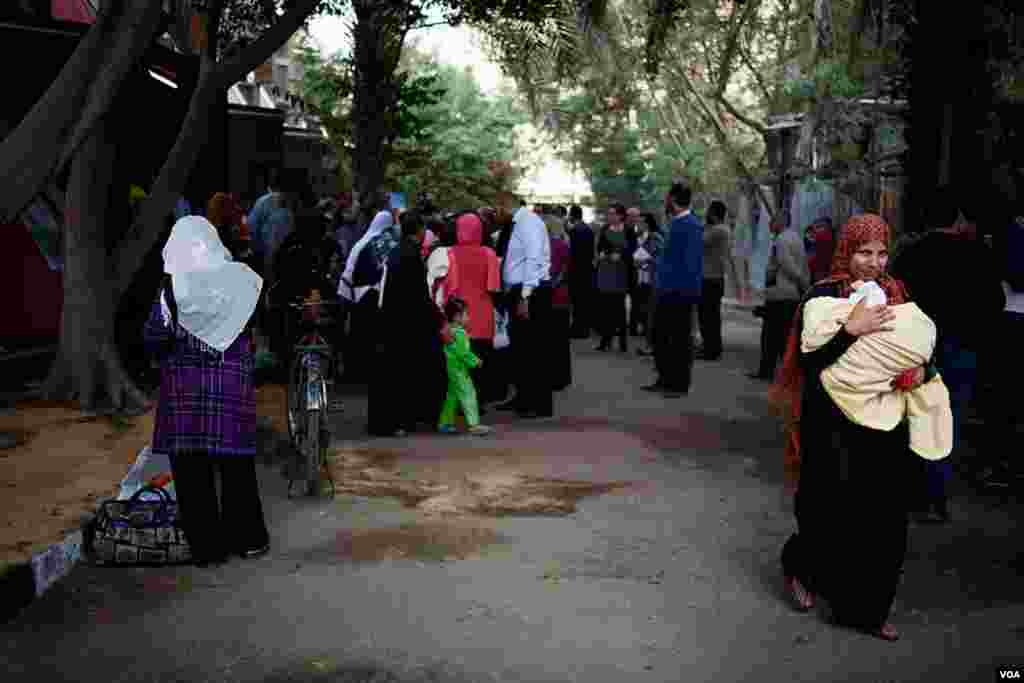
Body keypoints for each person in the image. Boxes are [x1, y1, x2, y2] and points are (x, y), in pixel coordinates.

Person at [774, 214, 929, 642]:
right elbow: (808, 362)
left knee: (883, 519)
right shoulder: (823, 296)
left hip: (884, 422)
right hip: (832, 423)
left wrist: (922, 372)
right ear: (847, 251)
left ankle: (864, 610)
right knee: (827, 511)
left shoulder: (898, 294)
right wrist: (850, 331)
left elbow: (918, 349)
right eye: (864, 252)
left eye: (881, 253)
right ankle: (801, 569)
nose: (874, 263)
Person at [142, 216, 269, 567]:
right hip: (231, 386)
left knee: (192, 472)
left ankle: (208, 549)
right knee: (237, 466)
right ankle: (248, 539)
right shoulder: (243, 280)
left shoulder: (172, 288)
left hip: (185, 391)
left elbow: (155, 336)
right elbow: (257, 322)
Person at [889, 190, 1006, 521]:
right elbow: (995, 302)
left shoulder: (912, 253)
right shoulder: (977, 252)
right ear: (957, 218)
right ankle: (936, 496)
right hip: (962, 348)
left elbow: (894, 299)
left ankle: (915, 494)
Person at [367, 210, 448, 437]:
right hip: (406, 322)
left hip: (392, 319)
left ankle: (398, 420)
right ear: (420, 231)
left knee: (395, 373)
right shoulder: (411, 255)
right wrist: (439, 321)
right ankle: (401, 421)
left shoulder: (397, 251)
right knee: (405, 373)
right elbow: (419, 295)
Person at [645, 183, 703, 397]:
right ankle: (665, 378)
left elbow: (690, 263)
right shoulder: (677, 222)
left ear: (673, 199)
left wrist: (685, 292)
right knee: (662, 337)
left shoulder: (690, 224)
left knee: (679, 340)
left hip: (679, 293)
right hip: (667, 290)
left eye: (667, 197)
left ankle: (678, 384)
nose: (665, 201)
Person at [500, 204, 554, 418]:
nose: (496, 213)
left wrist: (525, 296)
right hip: (522, 289)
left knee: (533, 350)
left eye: (498, 208)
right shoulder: (519, 223)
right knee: (521, 350)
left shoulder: (528, 222)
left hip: (531, 291)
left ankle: (536, 403)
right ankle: (523, 397)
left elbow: (534, 259)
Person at [338, 202, 398, 383]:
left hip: (358, 296)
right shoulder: (386, 243)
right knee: (374, 336)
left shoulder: (360, 243)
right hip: (377, 296)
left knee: (359, 335)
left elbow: (349, 271)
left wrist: (346, 296)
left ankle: (355, 373)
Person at [446, 212, 502, 404]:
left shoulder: (450, 254)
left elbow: (449, 287)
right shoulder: (489, 254)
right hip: (483, 314)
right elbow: (493, 286)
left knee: (459, 361)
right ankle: (481, 400)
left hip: (458, 315)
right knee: (481, 358)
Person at [749, 216, 810, 381]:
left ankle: (768, 370)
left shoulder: (781, 240)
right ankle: (786, 373)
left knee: (770, 335)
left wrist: (800, 281)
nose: (770, 224)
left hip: (780, 293)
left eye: (773, 221)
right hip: (791, 293)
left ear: (781, 222)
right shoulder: (795, 237)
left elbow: (786, 264)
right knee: (784, 335)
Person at [438, 297, 493, 436]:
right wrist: (476, 361)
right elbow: (463, 352)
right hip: (459, 370)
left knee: (453, 396)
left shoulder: (450, 331)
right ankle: (474, 424)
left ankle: (445, 423)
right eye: (466, 314)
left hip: (452, 369)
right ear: (457, 316)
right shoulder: (459, 333)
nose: (468, 317)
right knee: (469, 394)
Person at [696, 200, 735, 361]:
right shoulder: (720, 229)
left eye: (708, 211)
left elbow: (699, 240)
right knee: (709, 315)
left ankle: (711, 348)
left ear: (713, 213)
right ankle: (710, 346)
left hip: (711, 278)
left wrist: (703, 226)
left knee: (708, 316)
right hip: (712, 277)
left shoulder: (719, 230)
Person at [595, 203, 635, 352]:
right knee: (605, 307)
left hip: (621, 272)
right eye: (609, 213)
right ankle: (605, 340)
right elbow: (600, 247)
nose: (610, 216)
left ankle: (623, 341)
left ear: (620, 215)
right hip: (606, 270)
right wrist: (602, 253)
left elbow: (633, 249)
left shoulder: (628, 230)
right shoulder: (605, 229)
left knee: (619, 308)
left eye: (613, 213)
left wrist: (622, 255)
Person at [547, 210, 573, 391]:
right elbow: (567, 269)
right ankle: (562, 377)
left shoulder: (548, 245)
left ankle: (552, 376)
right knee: (561, 340)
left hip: (551, 295)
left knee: (551, 339)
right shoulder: (564, 245)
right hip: (562, 295)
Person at [633, 213, 664, 357]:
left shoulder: (655, 237)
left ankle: (652, 345)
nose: (637, 224)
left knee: (652, 314)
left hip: (654, 280)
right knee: (647, 313)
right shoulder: (642, 237)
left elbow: (656, 258)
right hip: (645, 279)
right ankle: (650, 344)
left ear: (647, 224)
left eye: (640, 222)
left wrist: (644, 263)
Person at [567, 205, 596, 339]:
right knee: (584, 300)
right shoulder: (588, 229)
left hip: (576, 270)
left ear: (572, 216)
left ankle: (578, 329)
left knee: (577, 301)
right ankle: (584, 329)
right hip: (587, 269)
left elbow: (572, 252)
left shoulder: (574, 231)